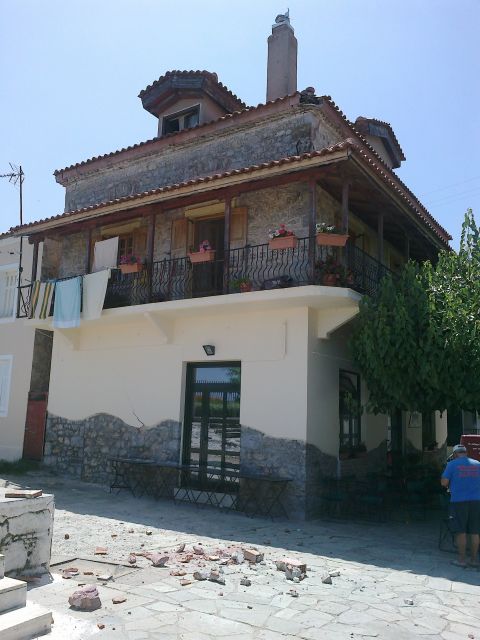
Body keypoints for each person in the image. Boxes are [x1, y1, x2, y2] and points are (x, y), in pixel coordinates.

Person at [441, 444, 480, 567]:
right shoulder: (478, 464)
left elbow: (444, 482)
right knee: (475, 532)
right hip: (476, 501)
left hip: (459, 501)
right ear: (466, 453)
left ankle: (462, 560)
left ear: (454, 454)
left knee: (460, 531)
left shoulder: (452, 464)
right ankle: (474, 560)